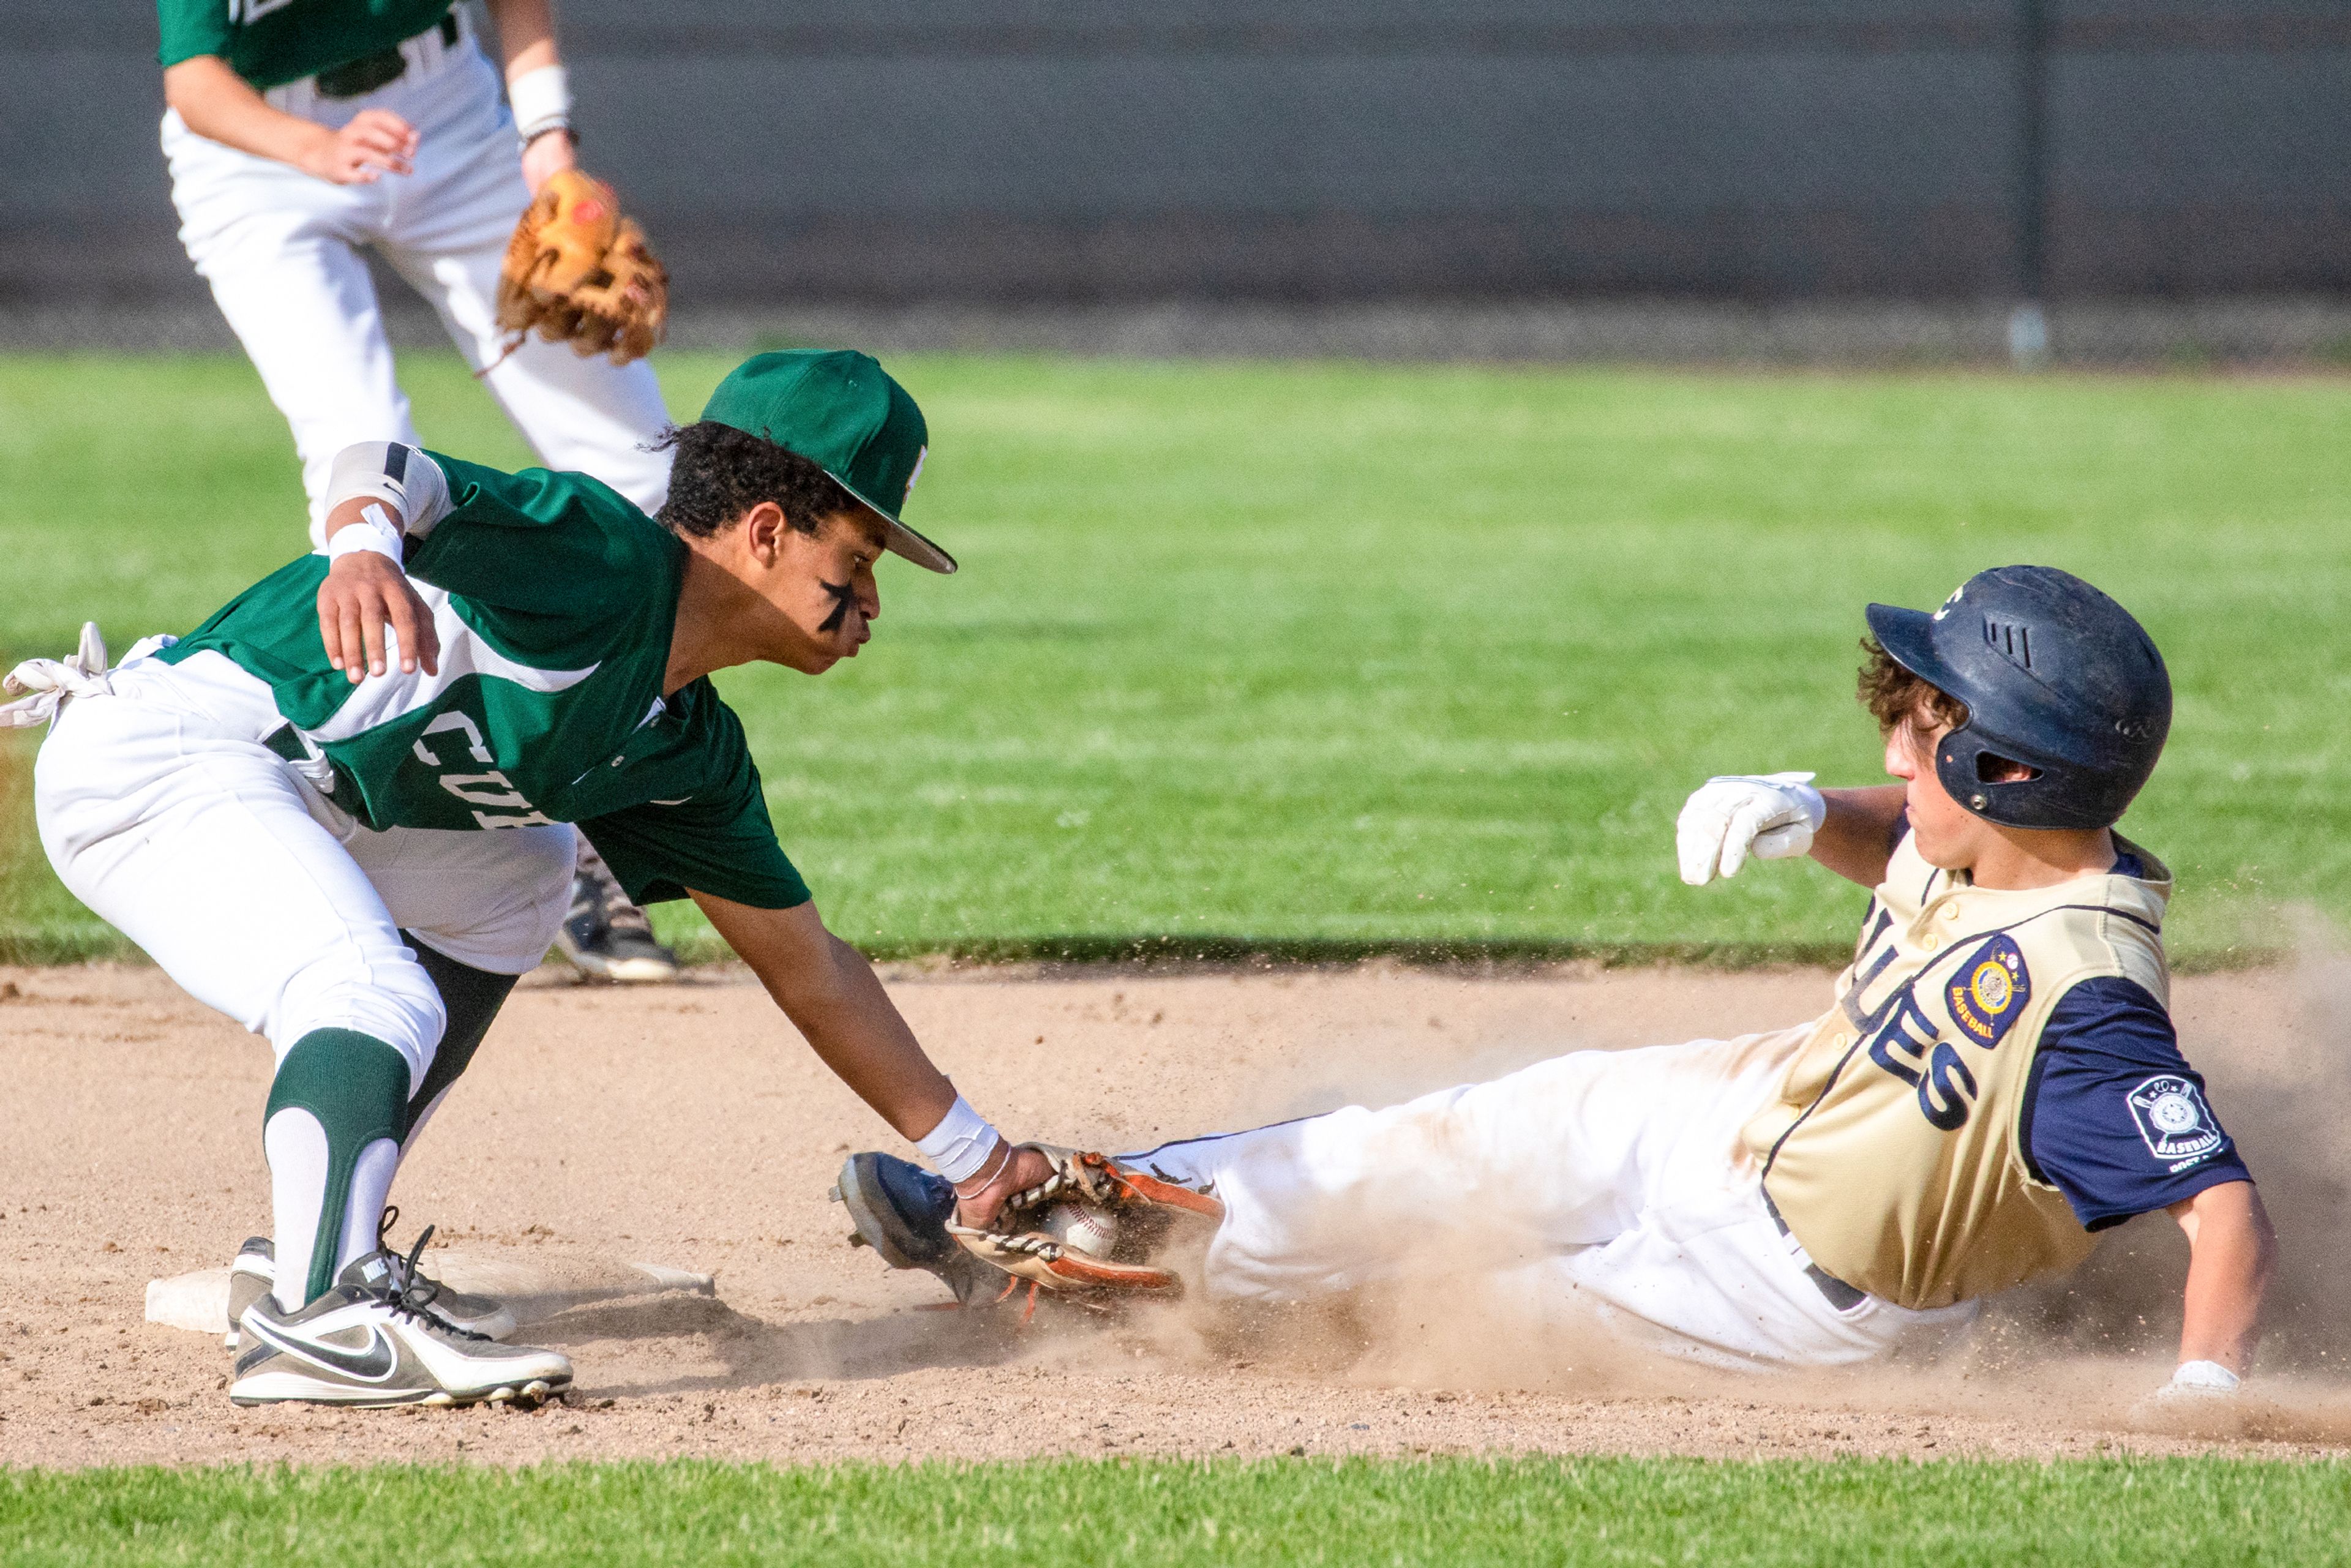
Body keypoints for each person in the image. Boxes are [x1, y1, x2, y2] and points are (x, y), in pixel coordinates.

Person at [839, 566, 2276, 1401]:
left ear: (2004, 766)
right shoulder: (2013, 835)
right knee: (1417, 1150)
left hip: (1787, 1298)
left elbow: (2219, 1212)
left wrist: (2208, 1388)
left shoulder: (2091, 1001)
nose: (1898, 751)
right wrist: (1802, 806)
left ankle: (1120, 1309)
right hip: (1725, 1108)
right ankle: (1048, 1217)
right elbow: (1919, 833)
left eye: (1924, 726)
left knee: (1454, 1312)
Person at [3, 350, 1052, 1407]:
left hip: (300, 794)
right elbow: (386, 465)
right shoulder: (605, 561)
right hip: (158, 759)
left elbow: (808, 964)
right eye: (859, 556)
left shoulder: (684, 745)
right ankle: (319, 1318)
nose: (871, 597)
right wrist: (362, 551)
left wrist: (978, 1160)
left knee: (525, 867)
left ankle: (312, 1249)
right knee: (370, 990)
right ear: (770, 530)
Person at [157, 0, 677, 980]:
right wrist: (313, 147)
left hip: (445, 114)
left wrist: (548, 147)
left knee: (646, 467)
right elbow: (195, 80)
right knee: (364, 469)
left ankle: (604, 813)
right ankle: (411, 828)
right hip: (261, 154)